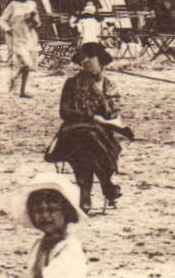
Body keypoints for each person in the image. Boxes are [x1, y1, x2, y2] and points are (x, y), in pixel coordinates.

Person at [48, 41, 128, 214]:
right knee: (85, 138)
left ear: (100, 61)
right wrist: (90, 116)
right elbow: (64, 112)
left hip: (99, 132)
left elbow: (113, 113)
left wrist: (102, 110)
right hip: (72, 129)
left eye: (90, 57)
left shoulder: (109, 85)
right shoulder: (72, 83)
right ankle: (106, 184)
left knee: (89, 141)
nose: (85, 61)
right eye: (83, 58)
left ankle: (85, 194)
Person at [0, 0, 42, 99]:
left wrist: (32, 18)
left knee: (28, 65)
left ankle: (21, 89)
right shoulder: (13, 5)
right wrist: (7, 29)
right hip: (17, 37)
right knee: (25, 62)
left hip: (29, 36)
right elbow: (2, 20)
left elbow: (37, 23)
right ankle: (15, 78)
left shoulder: (32, 4)